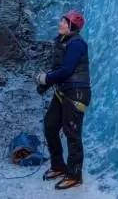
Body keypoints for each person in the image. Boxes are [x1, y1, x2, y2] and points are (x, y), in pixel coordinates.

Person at [33, 10, 91, 190]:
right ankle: (58, 166)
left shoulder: (77, 44)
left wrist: (46, 79)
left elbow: (66, 71)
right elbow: (58, 70)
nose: (60, 24)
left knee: (72, 133)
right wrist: (44, 82)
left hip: (76, 94)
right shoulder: (63, 43)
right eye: (61, 21)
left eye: (64, 22)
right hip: (63, 93)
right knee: (50, 125)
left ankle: (74, 175)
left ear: (72, 26)